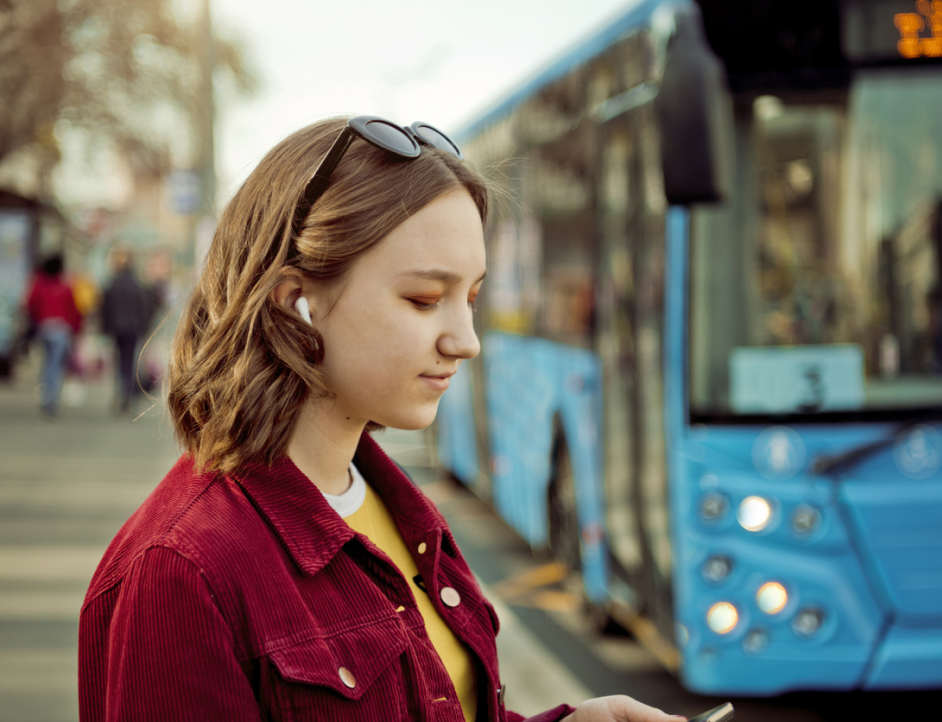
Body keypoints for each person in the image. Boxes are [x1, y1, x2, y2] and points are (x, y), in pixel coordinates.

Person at [78, 117, 685, 722]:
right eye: (424, 299)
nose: (466, 341)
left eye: (470, 299)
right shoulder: (179, 575)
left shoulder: (398, 508)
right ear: (298, 304)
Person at [24, 254, 82, 418]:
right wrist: (76, 331)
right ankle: (52, 399)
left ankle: (45, 396)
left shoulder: (39, 285)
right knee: (55, 365)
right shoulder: (65, 287)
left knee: (46, 363)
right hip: (61, 330)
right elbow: (74, 311)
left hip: (44, 328)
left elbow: (30, 304)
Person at [100, 249, 155, 412]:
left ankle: (121, 392)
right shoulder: (137, 285)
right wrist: (144, 328)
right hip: (133, 329)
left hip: (116, 329)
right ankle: (128, 394)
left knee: (119, 362)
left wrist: (105, 328)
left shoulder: (112, 284)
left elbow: (105, 308)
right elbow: (144, 309)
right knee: (130, 362)